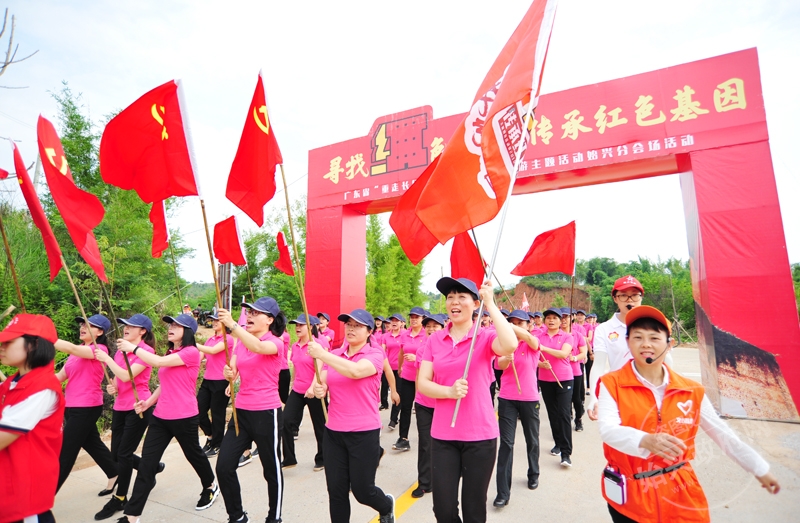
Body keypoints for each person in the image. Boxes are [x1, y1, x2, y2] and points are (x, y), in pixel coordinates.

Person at [597, 306, 780, 523]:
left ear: (669, 344)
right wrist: (645, 440)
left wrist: (759, 468)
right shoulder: (612, 384)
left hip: (681, 490)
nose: (645, 344)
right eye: (637, 337)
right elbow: (608, 429)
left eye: (654, 337)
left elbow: (724, 435)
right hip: (632, 494)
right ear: (628, 342)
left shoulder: (692, 391)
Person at [417, 277, 517, 523]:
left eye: (462, 297)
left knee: (474, 509)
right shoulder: (434, 340)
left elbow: (510, 344)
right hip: (443, 436)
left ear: (475, 304)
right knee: (443, 509)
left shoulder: (484, 338)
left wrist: (491, 304)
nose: (455, 302)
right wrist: (449, 392)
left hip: (479, 437)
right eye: (450, 297)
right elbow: (423, 383)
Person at [119, 314, 219, 522]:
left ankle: (210, 485)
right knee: (147, 465)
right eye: (170, 325)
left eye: (176, 325)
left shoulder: (191, 353)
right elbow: (165, 384)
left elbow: (157, 362)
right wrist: (148, 402)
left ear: (188, 331)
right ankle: (132, 515)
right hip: (160, 417)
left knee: (194, 455)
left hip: (184, 416)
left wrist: (134, 349)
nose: (170, 328)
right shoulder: (172, 352)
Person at [307, 309, 396, 523]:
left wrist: (322, 353)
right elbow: (324, 379)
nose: (351, 329)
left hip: (364, 432)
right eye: (348, 324)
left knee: (362, 490)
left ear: (369, 331)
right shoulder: (336, 354)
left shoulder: (375, 355)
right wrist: (320, 388)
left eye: (357, 326)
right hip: (334, 432)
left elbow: (355, 371)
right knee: (336, 492)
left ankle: (386, 506)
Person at [215, 297, 286, 523]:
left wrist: (234, 326)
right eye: (249, 312)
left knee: (271, 471)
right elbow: (234, 368)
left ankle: (274, 518)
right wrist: (230, 375)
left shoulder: (276, 342)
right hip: (241, 413)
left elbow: (257, 347)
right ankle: (236, 516)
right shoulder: (240, 342)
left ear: (269, 320)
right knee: (224, 466)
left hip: (267, 412)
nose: (250, 316)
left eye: (256, 313)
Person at [92, 313, 162, 521]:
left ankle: (121, 497)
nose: (126, 328)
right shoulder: (120, 352)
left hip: (138, 407)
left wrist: (106, 360)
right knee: (116, 454)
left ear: (143, 332)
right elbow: (117, 379)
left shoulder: (147, 352)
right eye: (125, 325)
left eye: (132, 326)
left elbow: (127, 375)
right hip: (120, 406)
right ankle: (150, 468)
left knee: (123, 454)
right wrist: (111, 387)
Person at [0, 314, 65, 523]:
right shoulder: (11, 383)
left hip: (23, 494)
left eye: (9, 341)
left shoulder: (42, 388)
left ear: (34, 345)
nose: (2, 346)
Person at [588, 276, 673, 422]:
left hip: (653, 391)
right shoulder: (604, 329)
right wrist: (594, 398)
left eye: (634, 295)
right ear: (615, 298)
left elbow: (667, 361)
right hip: (621, 391)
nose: (630, 300)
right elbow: (598, 365)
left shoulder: (658, 324)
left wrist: (669, 392)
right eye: (623, 295)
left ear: (641, 297)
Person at [55, 315, 118, 493]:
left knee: (65, 451)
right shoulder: (77, 353)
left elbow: (70, 347)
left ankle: (41, 500)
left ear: (100, 332)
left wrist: (44, 335)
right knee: (92, 444)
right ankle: (115, 473)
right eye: (83, 323)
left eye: (90, 325)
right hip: (72, 407)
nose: (83, 327)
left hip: (87, 407)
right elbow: (59, 377)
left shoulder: (99, 350)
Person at [493, 310, 542, 507]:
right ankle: (503, 492)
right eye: (512, 322)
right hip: (507, 398)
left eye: (519, 323)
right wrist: (508, 358)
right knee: (506, 444)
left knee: (532, 439)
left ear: (528, 324)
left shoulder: (532, 341)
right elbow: (500, 364)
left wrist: (509, 326)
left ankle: (533, 473)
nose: (515, 326)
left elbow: (532, 340)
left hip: (530, 398)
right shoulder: (504, 345)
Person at [282, 313, 329, 472]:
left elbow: (321, 367)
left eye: (301, 325)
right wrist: (293, 382)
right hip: (297, 390)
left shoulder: (316, 345)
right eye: (296, 325)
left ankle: (322, 458)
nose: (297, 328)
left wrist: (312, 387)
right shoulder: (295, 346)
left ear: (310, 326)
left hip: (314, 390)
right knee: (286, 421)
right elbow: (295, 366)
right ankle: (289, 458)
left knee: (320, 426)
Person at [535, 307, 574, 467]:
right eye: (548, 318)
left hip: (564, 379)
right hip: (545, 379)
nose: (551, 320)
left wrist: (543, 348)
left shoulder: (567, 337)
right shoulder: (537, 336)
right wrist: (540, 364)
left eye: (554, 318)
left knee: (564, 414)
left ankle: (566, 453)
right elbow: (532, 356)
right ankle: (557, 443)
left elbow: (564, 354)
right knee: (552, 413)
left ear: (560, 321)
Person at [196, 313, 234, 458]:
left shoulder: (228, 339)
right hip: (207, 380)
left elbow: (212, 351)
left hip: (221, 380)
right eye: (214, 320)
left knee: (218, 414)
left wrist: (193, 343)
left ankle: (218, 443)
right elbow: (202, 355)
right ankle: (211, 436)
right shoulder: (210, 339)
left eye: (218, 320)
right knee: (198, 410)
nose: (214, 322)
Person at [393, 306, 426, 452]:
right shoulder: (405, 334)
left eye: (416, 317)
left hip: (423, 377)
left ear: (422, 319)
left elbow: (433, 355)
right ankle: (403, 438)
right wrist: (400, 367)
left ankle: (426, 437)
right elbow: (401, 352)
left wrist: (417, 357)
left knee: (421, 409)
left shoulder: (427, 334)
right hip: (407, 376)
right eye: (411, 317)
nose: (413, 319)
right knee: (405, 407)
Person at [561, 309, 588, 432]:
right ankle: (566, 421)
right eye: (561, 317)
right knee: (563, 401)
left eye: (566, 317)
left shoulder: (577, 335)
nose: (563, 319)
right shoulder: (557, 334)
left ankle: (578, 419)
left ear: (571, 318)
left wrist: (575, 357)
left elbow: (584, 353)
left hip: (575, 371)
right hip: (560, 372)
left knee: (576, 398)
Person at [383, 313, 405, 431]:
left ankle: (393, 419)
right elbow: (383, 350)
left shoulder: (405, 335)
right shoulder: (386, 336)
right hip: (389, 368)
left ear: (402, 323)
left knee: (398, 392)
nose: (394, 322)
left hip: (402, 369)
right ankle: (386, 406)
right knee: (389, 390)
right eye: (392, 321)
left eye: (397, 320)